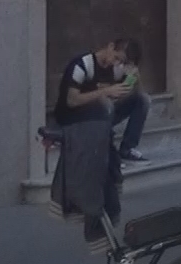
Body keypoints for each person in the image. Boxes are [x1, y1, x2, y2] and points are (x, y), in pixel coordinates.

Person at [52, 37, 141, 249]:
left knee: (142, 100)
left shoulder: (117, 70)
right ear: (110, 47)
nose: (115, 64)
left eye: (121, 62)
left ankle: (128, 147)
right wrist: (105, 92)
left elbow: (125, 95)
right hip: (74, 116)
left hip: (101, 115)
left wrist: (133, 78)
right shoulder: (82, 65)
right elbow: (71, 101)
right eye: (116, 58)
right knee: (105, 108)